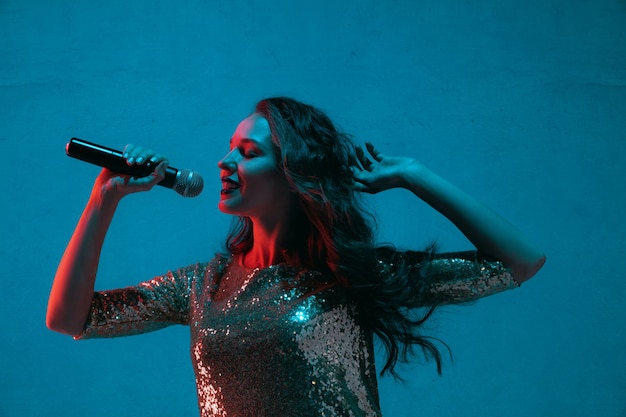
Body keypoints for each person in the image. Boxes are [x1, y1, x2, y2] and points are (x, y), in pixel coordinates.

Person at [46, 97, 545, 416]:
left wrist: (415, 174)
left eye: (247, 152)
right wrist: (103, 199)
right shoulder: (203, 286)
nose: (224, 162)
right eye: (230, 149)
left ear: (293, 171)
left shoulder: (350, 276)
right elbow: (71, 318)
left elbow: (519, 263)